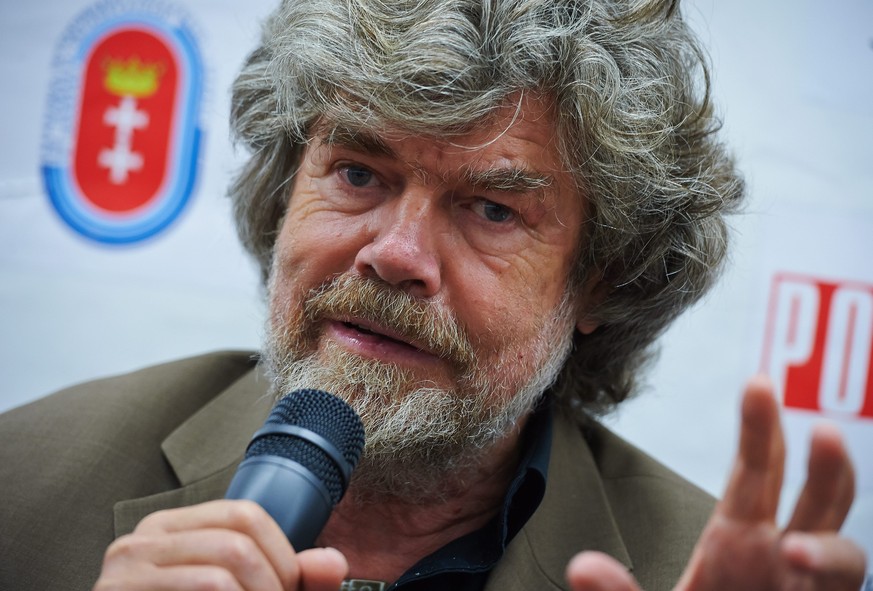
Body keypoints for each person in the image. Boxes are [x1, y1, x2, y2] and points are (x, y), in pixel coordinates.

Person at [0, 0, 867, 589]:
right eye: (356, 171)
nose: (395, 254)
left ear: (602, 277)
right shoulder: (28, 477)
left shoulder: (688, 569)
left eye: (491, 207)